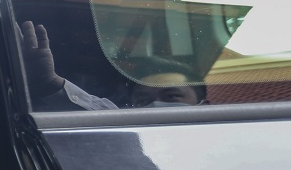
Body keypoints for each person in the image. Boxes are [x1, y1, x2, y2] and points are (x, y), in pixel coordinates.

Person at [18, 20, 208, 110]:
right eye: (142, 101)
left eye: (172, 96)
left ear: (206, 107)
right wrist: (49, 83)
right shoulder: (123, 135)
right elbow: (101, 115)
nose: (155, 105)